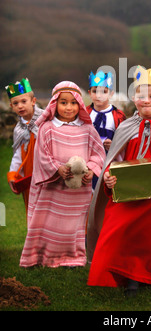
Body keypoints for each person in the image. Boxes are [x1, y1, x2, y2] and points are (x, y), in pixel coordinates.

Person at [87, 66, 151, 297]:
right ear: (134, 98)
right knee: (129, 234)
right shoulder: (125, 127)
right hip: (131, 194)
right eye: (141, 96)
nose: (146, 101)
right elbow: (115, 160)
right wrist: (109, 177)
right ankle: (131, 278)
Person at [19, 81, 105, 268]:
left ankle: (73, 258)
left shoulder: (87, 130)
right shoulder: (48, 128)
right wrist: (57, 168)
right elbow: (42, 155)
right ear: (54, 104)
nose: (69, 107)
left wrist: (90, 169)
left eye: (73, 103)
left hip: (78, 190)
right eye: (63, 102)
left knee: (73, 226)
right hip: (54, 188)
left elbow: (98, 154)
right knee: (49, 223)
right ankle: (43, 256)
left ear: (80, 105)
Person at [5, 78, 43, 216]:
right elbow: (18, 155)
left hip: (46, 173)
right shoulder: (18, 130)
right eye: (15, 103)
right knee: (33, 210)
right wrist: (13, 174)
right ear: (11, 106)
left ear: (33, 101)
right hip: (29, 175)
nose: (20, 106)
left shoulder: (45, 120)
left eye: (23, 101)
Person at [87, 70, 126, 188]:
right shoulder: (85, 113)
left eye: (103, 92)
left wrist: (114, 144)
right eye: (95, 91)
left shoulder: (118, 116)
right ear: (89, 93)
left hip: (109, 163)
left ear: (111, 93)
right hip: (88, 162)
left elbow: (125, 141)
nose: (99, 95)